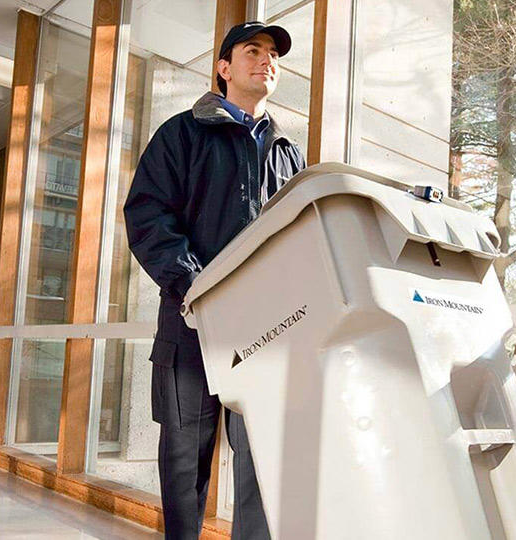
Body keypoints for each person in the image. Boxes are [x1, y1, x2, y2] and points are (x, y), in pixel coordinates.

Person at [123, 21, 305, 540]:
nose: (266, 60)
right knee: (184, 469)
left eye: (273, 54)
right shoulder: (181, 135)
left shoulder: (289, 154)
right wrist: (198, 290)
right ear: (224, 67)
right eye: (253, 50)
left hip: (267, 335)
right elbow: (148, 217)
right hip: (190, 330)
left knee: (262, 467)